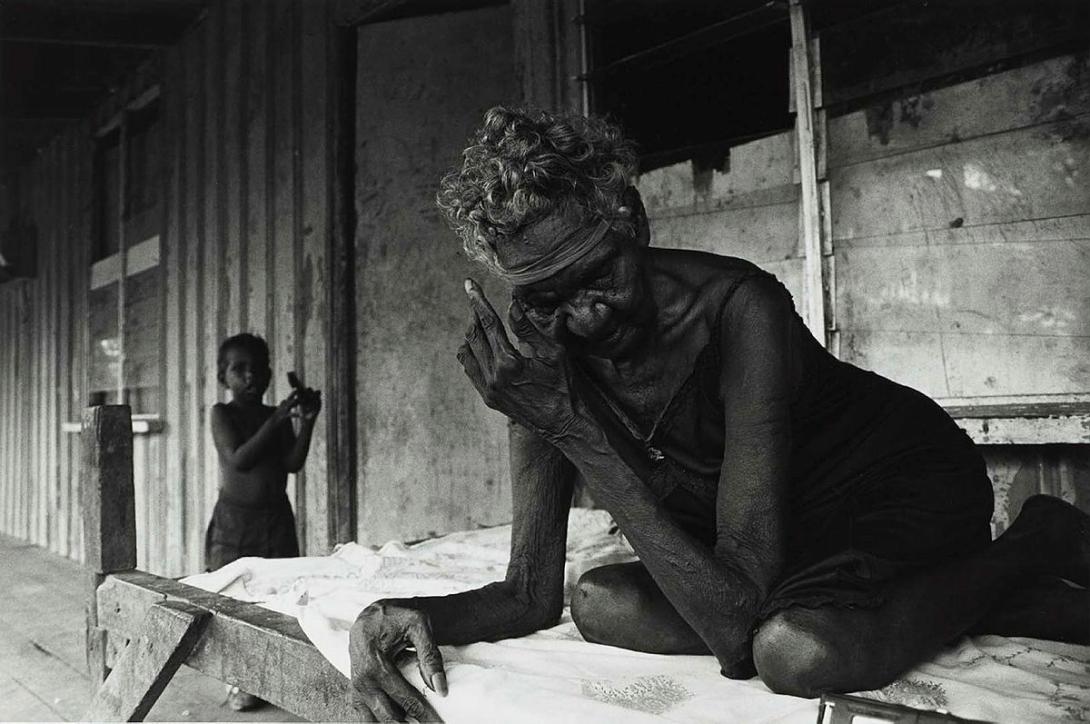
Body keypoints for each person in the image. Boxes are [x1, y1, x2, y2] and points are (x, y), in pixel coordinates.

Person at [346, 107, 1090, 721]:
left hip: (896, 480)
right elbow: (529, 593)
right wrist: (397, 614)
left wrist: (570, 425)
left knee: (793, 652)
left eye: (599, 277)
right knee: (598, 601)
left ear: (631, 223)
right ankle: (922, 602)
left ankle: (1024, 546)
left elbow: (736, 636)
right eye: (546, 299)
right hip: (773, 536)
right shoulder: (537, 354)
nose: (585, 317)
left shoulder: (739, 309)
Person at [207, 332, 321, 710]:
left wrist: (308, 421)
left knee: (280, 598)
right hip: (235, 524)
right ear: (224, 377)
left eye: (258, 368)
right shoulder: (223, 413)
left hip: (276, 521)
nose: (250, 376)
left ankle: (274, 677)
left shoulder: (276, 415)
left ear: (270, 373)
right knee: (234, 600)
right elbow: (239, 458)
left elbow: (292, 464)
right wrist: (278, 418)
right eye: (239, 369)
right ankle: (238, 679)